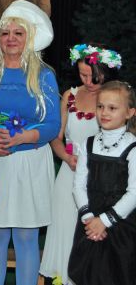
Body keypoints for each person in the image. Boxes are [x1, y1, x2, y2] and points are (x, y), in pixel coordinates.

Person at [0, 0, 60, 285]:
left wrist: (23, 137)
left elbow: (52, 125)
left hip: (30, 164)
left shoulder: (44, 76)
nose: (11, 39)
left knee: (27, 236)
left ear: (29, 37)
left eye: (18, 33)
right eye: (5, 33)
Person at [39, 44, 121, 284]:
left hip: (100, 179)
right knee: (64, 229)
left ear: (106, 71)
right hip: (69, 175)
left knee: (93, 233)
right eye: (83, 75)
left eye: (94, 76)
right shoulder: (70, 95)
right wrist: (67, 158)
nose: (88, 81)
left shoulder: (115, 98)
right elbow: (56, 137)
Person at [68, 80, 136, 285]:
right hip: (90, 223)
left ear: (130, 112)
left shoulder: (132, 148)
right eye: (100, 106)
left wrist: (105, 221)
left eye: (112, 108)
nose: (104, 112)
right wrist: (89, 218)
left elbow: (134, 193)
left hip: (121, 224)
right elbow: (78, 185)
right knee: (88, 275)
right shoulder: (88, 143)